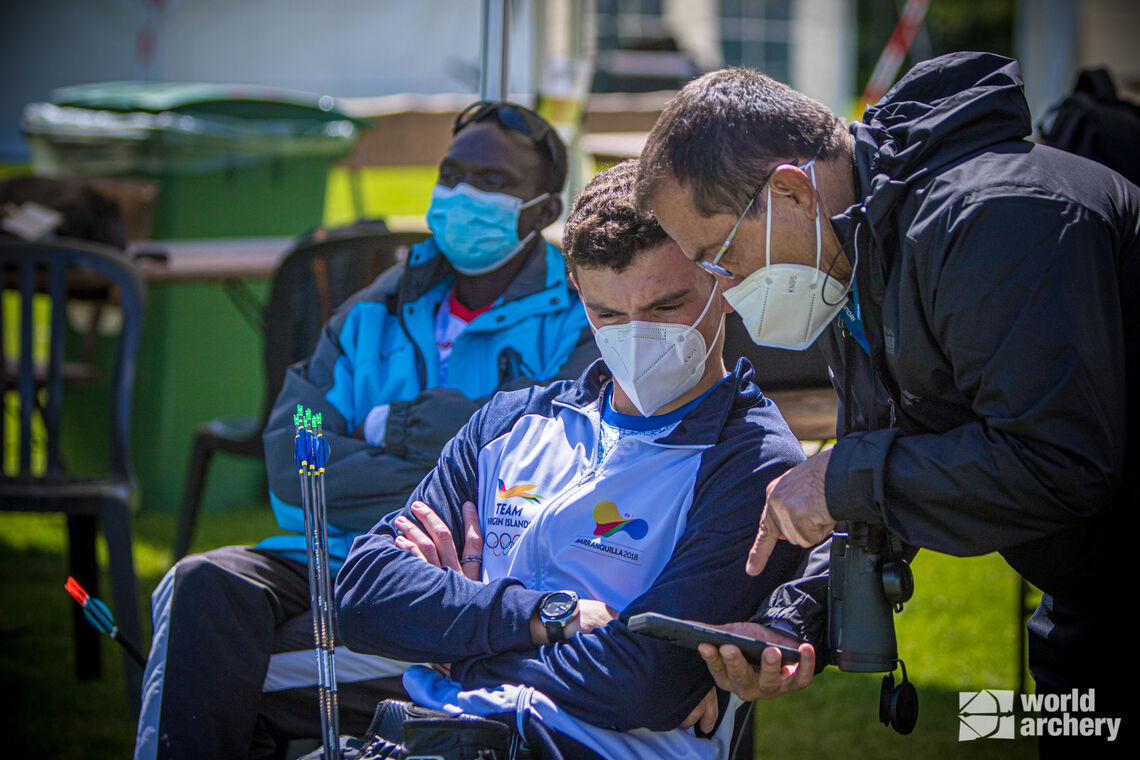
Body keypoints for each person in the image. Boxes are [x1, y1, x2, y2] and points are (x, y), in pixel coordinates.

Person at [635, 52, 1138, 754]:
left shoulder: (998, 215)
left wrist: (840, 476)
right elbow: (898, 462)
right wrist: (791, 621)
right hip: (1089, 596)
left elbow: (1058, 465)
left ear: (790, 193)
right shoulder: (857, 249)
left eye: (720, 254)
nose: (724, 286)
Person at [134, 101, 599, 760]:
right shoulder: (370, 312)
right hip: (328, 554)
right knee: (201, 584)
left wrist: (384, 435)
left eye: (493, 182)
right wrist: (448, 449)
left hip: (461, 573)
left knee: (220, 678)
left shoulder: (580, 319)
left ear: (545, 210)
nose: (464, 195)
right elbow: (295, 461)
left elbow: (541, 483)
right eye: (452, 173)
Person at [333, 160, 814, 760]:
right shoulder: (507, 422)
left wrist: (454, 634)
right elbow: (362, 596)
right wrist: (547, 616)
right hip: (425, 737)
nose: (637, 335)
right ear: (578, 295)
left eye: (666, 307)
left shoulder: (754, 463)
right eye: (609, 315)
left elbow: (643, 684)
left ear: (727, 283)